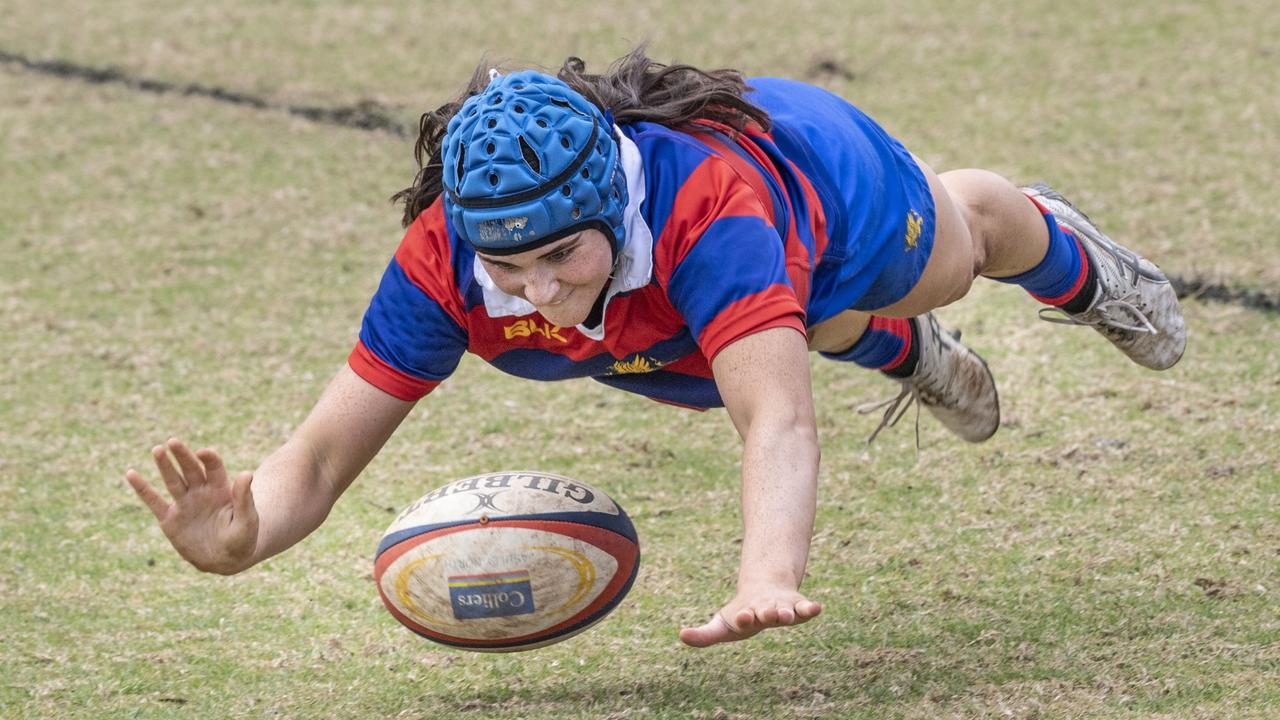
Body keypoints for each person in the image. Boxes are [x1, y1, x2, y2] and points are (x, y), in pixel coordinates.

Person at [125, 47, 1186, 649]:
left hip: (822, 187)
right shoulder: (447, 261)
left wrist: (766, 572)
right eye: (508, 268)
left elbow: (773, 419)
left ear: (609, 211)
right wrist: (246, 530)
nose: (535, 290)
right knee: (770, 334)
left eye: (559, 257)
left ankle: (1069, 260)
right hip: (663, 338)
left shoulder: (709, 219)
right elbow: (314, 460)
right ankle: (898, 353)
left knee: (953, 252)